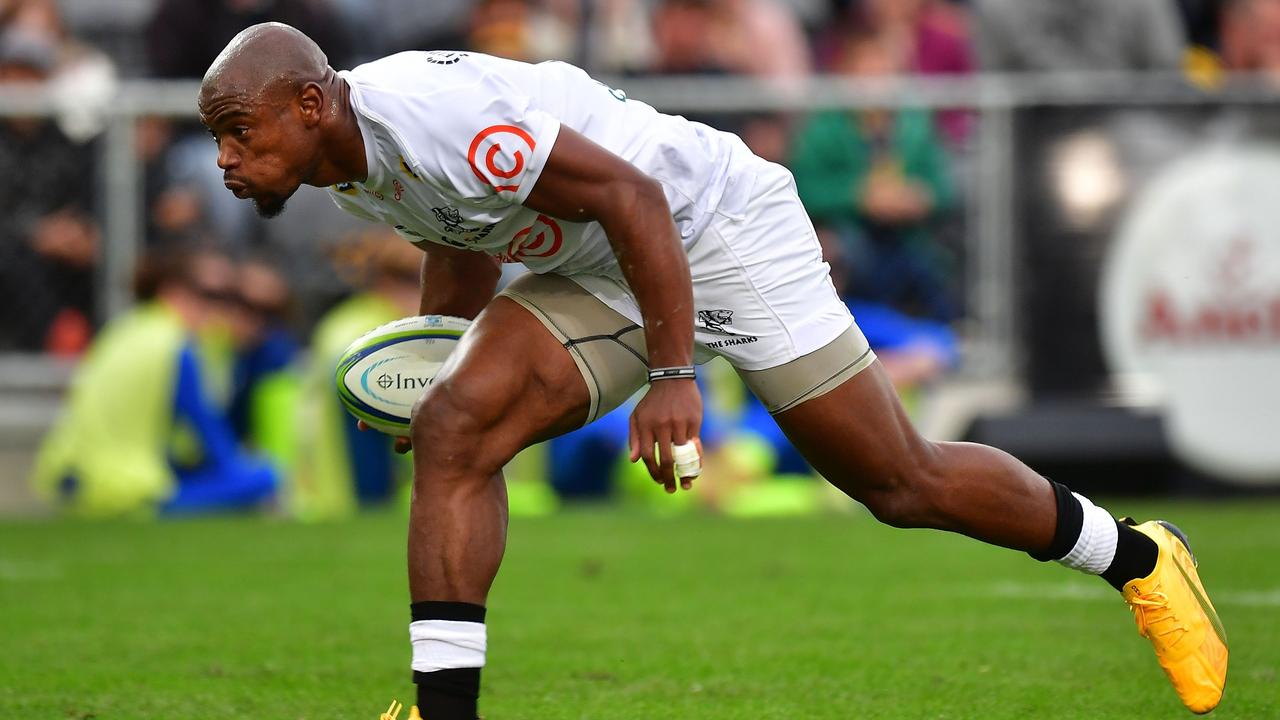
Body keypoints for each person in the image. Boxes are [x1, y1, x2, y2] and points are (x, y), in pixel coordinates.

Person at [196, 23, 1227, 718]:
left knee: (896, 482)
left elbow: (637, 201)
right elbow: (458, 235)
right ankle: (439, 706)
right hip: (591, 259)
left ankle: (1136, 558)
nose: (227, 162)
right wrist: (437, 361)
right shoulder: (347, 160)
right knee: (459, 427)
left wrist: (673, 374)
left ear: (308, 102)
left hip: (714, 225)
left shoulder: (432, 114)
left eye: (238, 134)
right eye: (218, 142)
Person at [32, 247, 279, 516]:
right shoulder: (176, 346)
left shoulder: (129, 327)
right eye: (210, 296)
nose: (221, 309)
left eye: (230, 298)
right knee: (265, 477)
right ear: (171, 290)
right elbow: (216, 446)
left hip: (71, 476)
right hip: (124, 488)